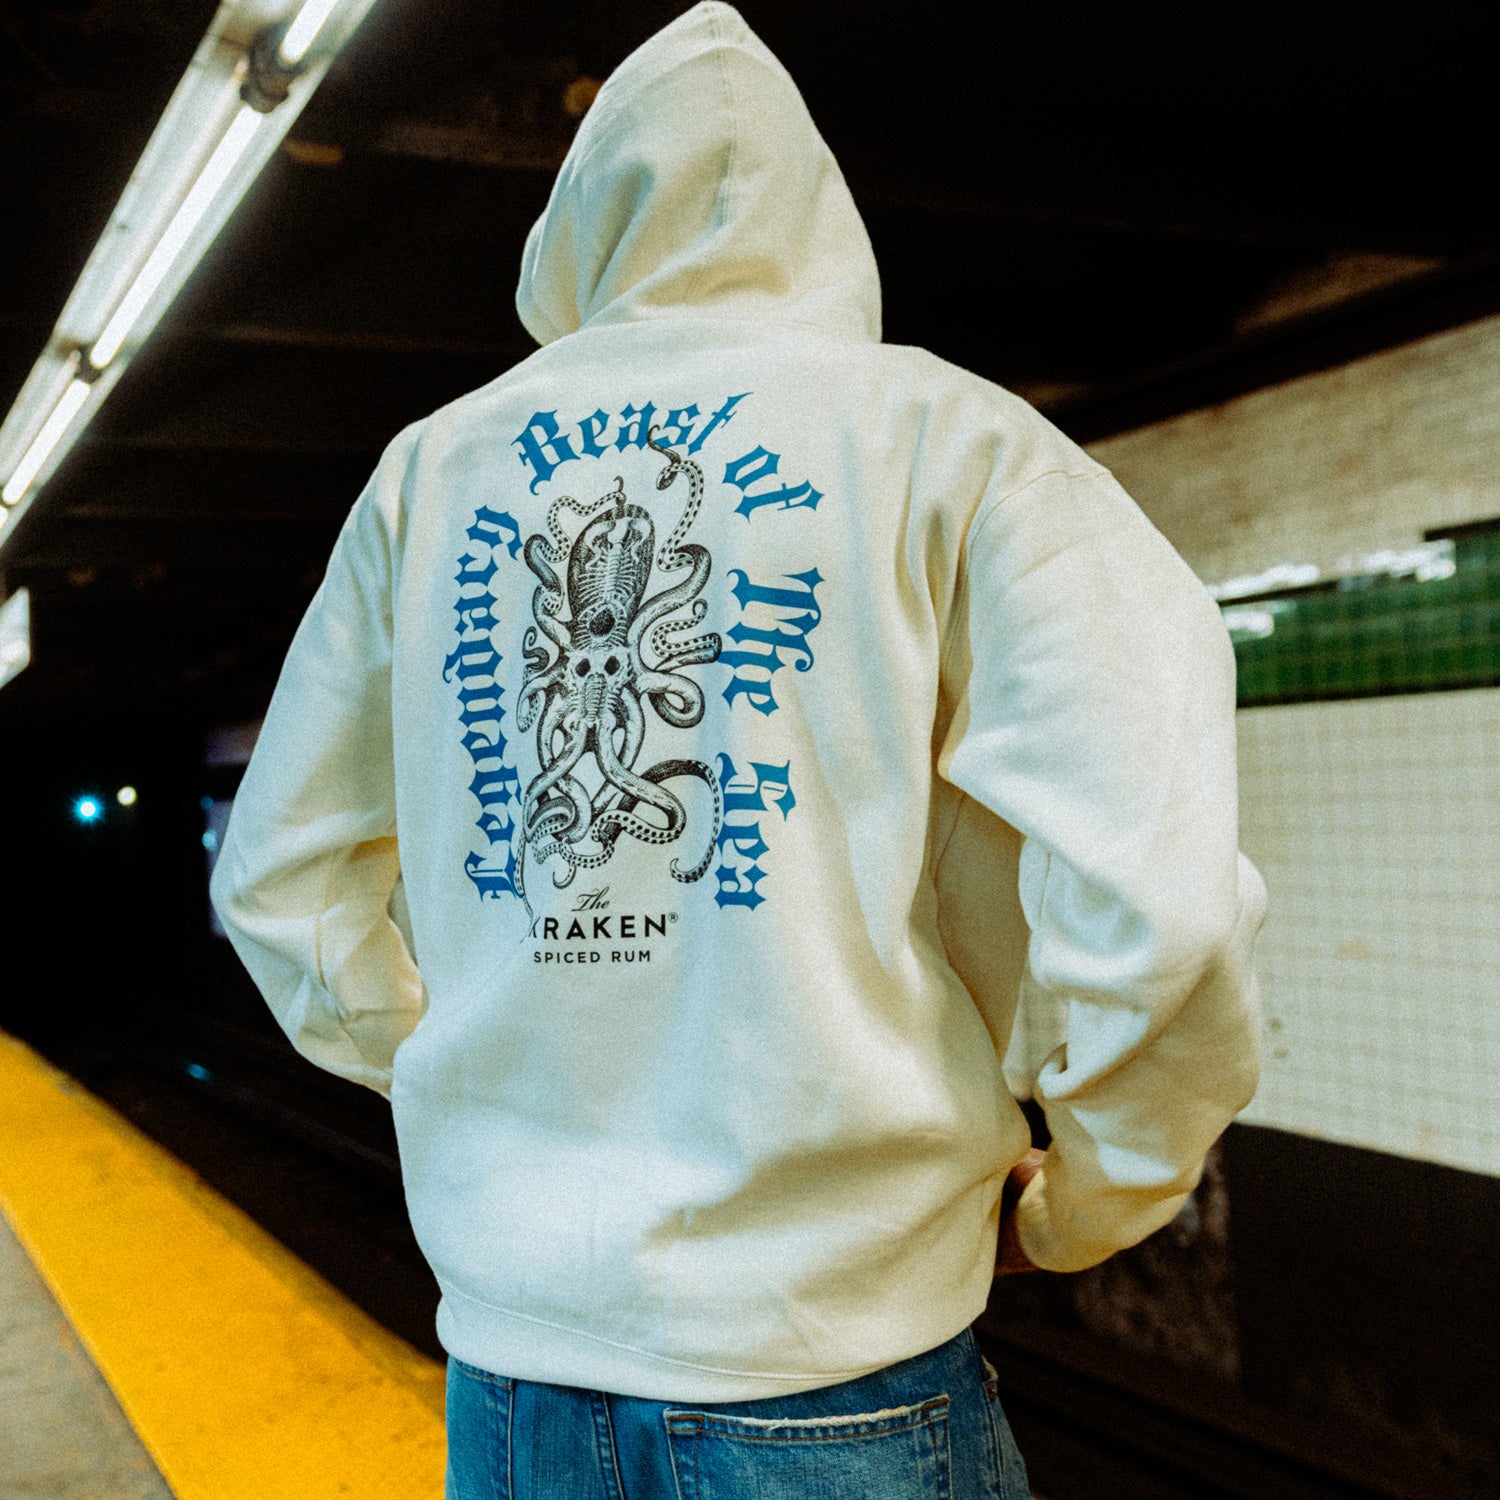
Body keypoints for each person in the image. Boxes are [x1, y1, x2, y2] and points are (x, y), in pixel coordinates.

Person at [211, 4, 1268, 1496]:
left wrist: (470, 1084)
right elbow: (1161, 904)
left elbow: (279, 882)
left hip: (512, 1391)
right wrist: (1088, 1201)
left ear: (577, 235)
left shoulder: (430, 475)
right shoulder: (953, 443)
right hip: (840, 1376)